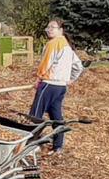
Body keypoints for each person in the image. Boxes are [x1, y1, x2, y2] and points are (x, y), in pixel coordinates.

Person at [29, 19, 83, 156]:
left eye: (52, 27)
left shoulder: (53, 43)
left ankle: (31, 145)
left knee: (35, 116)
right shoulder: (67, 46)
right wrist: (70, 79)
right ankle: (58, 146)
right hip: (61, 87)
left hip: (48, 84)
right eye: (48, 27)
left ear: (61, 30)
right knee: (56, 117)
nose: (49, 30)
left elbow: (46, 63)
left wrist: (38, 78)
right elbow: (78, 66)